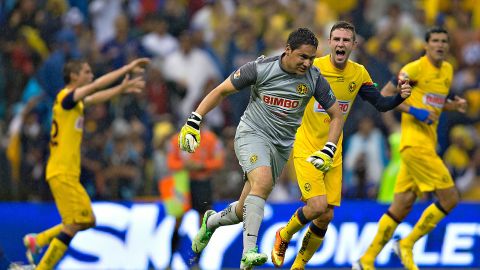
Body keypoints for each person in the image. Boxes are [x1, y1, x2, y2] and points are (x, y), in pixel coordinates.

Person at [179, 28, 345, 269]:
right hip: (252, 134)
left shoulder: (314, 78)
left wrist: (330, 147)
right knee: (263, 181)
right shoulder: (260, 68)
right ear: (287, 50)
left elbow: (337, 115)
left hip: (280, 146)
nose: (307, 63)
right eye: (302, 57)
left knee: (241, 210)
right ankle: (249, 252)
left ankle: (211, 222)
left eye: (311, 58)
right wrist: (195, 119)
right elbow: (221, 90)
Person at [270, 21, 411, 269]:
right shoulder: (313, 68)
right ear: (329, 42)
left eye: (346, 40)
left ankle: (298, 266)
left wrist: (400, 96)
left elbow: (380, 104)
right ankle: (285, 234)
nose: (341, 44)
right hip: (307, 146)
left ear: (354, 45)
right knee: (316, 206)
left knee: (325, 216)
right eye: (336, 39)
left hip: (333, 150)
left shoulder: (359, 73)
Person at [353, 26, 467, 270]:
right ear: (426, 45)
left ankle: (366, 259)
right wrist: (413, 110)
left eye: (444, 41)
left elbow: (432, 103)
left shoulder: (447, 70)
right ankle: (408, 243)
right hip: (415, 145)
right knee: (450, 198)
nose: (440, 45)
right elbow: (385, 94)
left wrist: (452, 106)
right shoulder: (414, 69)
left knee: (401, 206)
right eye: (435, 40)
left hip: (424, 146)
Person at [22, 57, 149, 269]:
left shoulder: (74, 103)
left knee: (87, 220)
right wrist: (126, 69)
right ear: (74, 76)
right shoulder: (65, 98)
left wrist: (121, 89)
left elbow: (97, 95)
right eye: (87, 72)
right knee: (75, 224)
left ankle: (39, 241)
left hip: (67, 173)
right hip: (61, 172)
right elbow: (96, 87)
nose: (91, 76)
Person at [166, 126, 225, 266]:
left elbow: (219, 162)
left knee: (203, 224)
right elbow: (170, 162)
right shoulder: (177, 139)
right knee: (177, 221)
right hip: (181, 183)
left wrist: (202, 165)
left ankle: (197, 262)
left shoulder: (210, 139)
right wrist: (186, 165)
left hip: (202, 183)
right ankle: (170, 261)